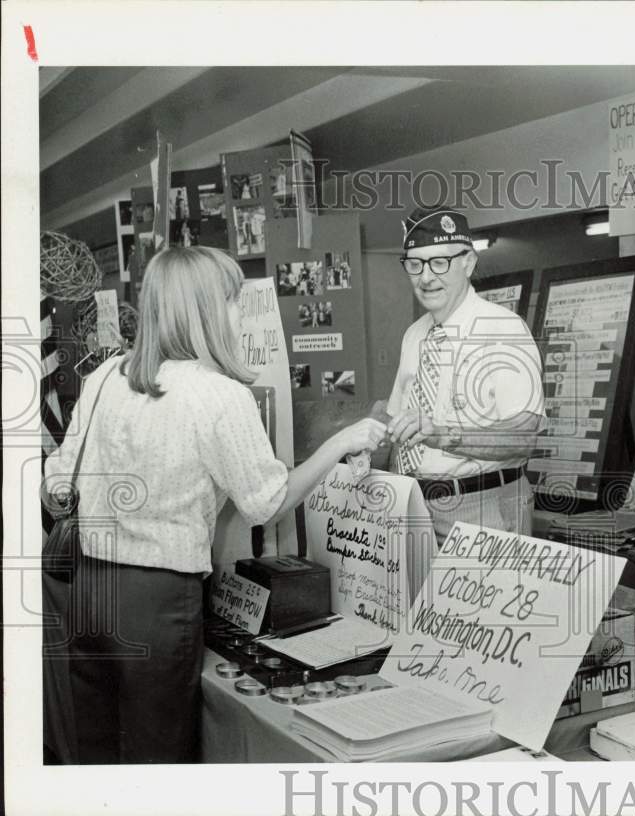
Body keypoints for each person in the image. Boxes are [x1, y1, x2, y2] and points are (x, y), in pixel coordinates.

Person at [42, 246, 386, 764]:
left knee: (96, 747)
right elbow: (267, 504)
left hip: (87, 587)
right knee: (159, 753)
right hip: (155, 600)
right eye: (231, 301)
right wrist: (339, 445)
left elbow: (57, 479)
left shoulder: (106, 377)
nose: (237, 315)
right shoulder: (219, 396)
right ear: (204, 310)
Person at [385, 206, 545, 545]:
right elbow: (399, 422)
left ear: (468, 263)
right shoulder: (413, 334)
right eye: (415, 264)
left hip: (484, 508)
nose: (426, 277)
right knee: (419, 601)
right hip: (413, 507)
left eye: (439, 262)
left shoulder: (503, 330)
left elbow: (524, 437)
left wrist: (442, 434)